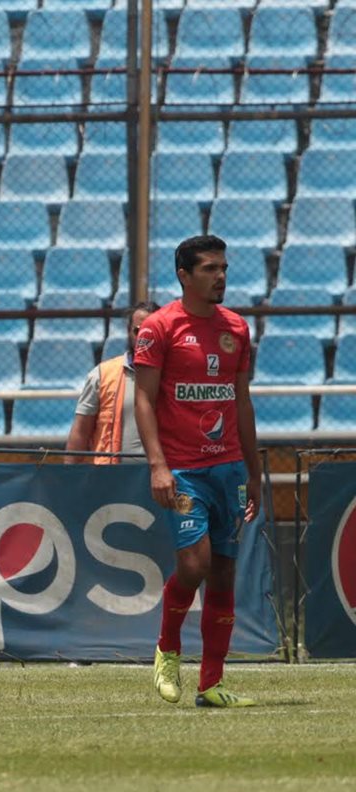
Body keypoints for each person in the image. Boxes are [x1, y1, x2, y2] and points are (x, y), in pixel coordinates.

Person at [133, 234, 261, 709]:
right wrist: (158, 465)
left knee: (225, 573)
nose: (220, 276)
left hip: (228, 467)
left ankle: (211, 685)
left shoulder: (236, 328)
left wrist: (255, 470)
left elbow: (241, 402)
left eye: (223, 267)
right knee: (195, 564)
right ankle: (167, 648)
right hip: (183, 469)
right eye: (209, 268)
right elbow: (143, 399)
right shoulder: (161, 327)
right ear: (184, 275)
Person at [64, 302, 161, 465]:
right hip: (112, 479)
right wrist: (66, 479)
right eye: (139, 331)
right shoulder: (102, 375)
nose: (145, 338)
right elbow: (81, 432)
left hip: (166, 479)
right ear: (128, 332)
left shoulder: (176, 375)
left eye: (153, 332)